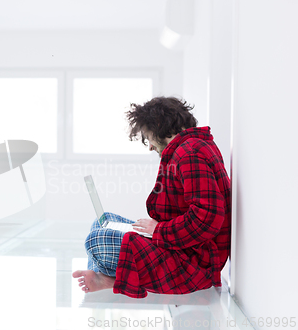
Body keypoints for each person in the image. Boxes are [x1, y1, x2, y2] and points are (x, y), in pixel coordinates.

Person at [72, 96, 231, 298]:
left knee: (96, 241)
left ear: (158, 125)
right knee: (103, 222)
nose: (149, 146)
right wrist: (156, 230)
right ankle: (105, 277)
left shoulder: (189, 153)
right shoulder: (190, 147)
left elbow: (207, 218)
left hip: (195, 262)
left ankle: (108, 279)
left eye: (148, 138)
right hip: (186, 246)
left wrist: (159, 230)